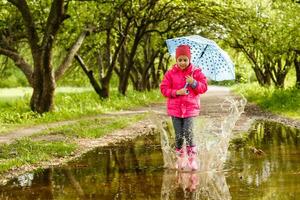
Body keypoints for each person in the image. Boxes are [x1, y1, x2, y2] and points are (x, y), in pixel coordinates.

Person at [160, 44, 208, 170]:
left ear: (189, 59)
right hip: (175, 110)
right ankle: (180, 159)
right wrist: (177, 92)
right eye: (180, 60)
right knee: (179, 136)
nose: (182, 62)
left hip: (190, 109)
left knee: (189, 133)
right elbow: (164, 89)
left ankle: (192, 160)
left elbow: (203, 88)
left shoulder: (196, 73)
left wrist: (194, 83)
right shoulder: (171, 74)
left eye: (185, 60)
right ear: (176, 60)